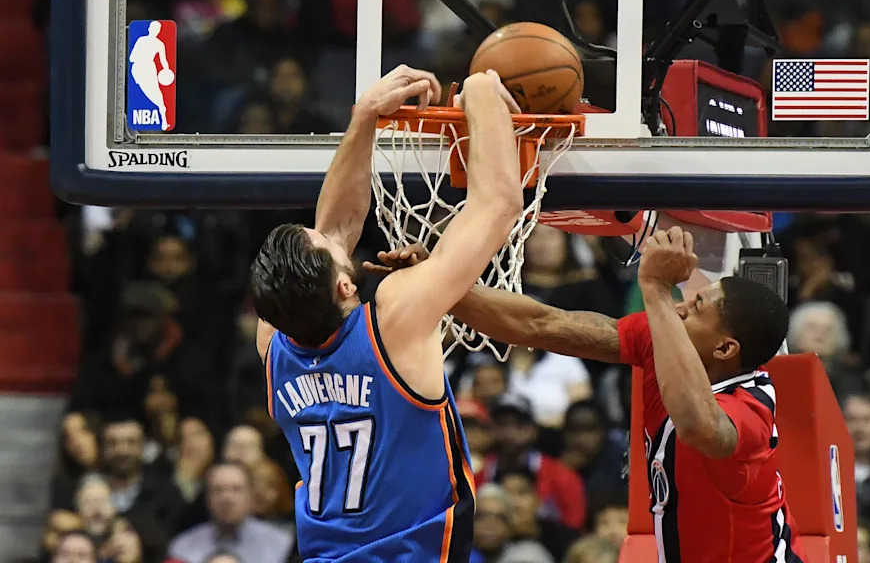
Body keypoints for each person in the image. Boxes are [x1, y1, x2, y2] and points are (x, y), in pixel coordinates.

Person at [367, 227, 804, 562]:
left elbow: (697, 423)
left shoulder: (753, 408)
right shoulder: (663, 341)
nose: (681, 306)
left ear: (726, 349)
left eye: (696, 308)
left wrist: (653, 288)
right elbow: (543, 325)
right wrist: (439, 284)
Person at [249, 64, 523, 561]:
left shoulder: (273, 344)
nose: (331, 235)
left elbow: (335, 229)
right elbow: (499, 204)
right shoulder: (391, 320)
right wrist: (482, 92)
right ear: (345, 284)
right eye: (329, 249)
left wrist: (366, 118)